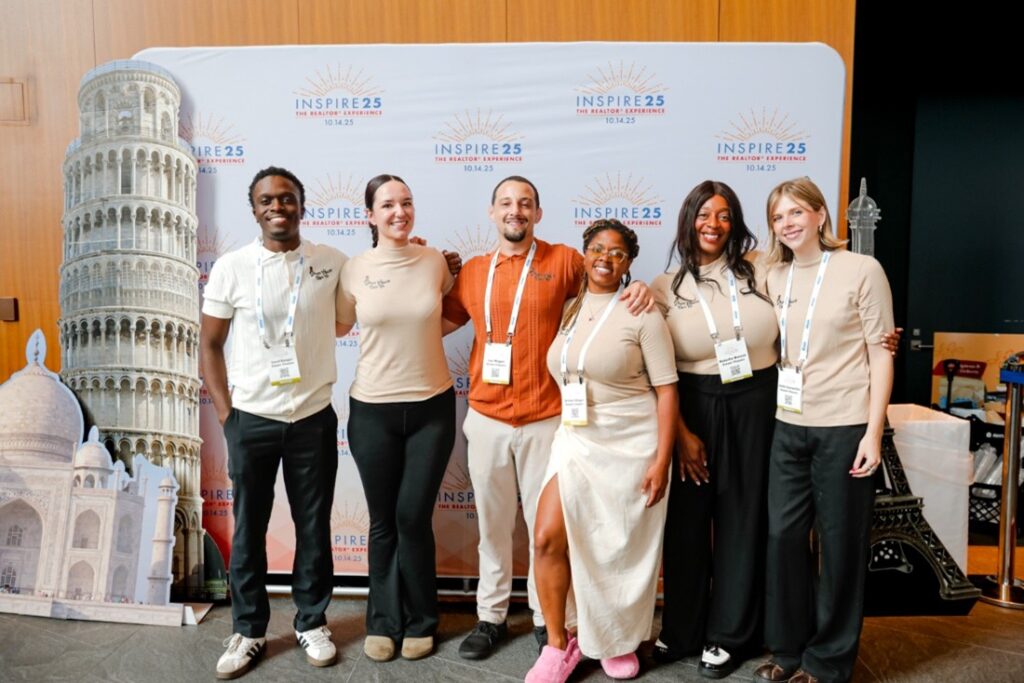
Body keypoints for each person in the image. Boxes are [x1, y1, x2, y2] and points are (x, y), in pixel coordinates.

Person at [442, 176, 652, 660]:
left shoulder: (564, 261)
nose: (515, 211)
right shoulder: (473, 271)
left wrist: (640, 287)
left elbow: (607, 276)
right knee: (492, 527)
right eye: (506, 203)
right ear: (492, 212)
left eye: (525, 203)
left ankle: (546, 618)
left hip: (548, 419)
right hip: (487, 418)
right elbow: (434, 323)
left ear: (538, 214)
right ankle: (491, 616)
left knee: (549, 531)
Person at [201, 166, 347, 679]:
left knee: (313, 525)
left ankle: (312, 621)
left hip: (312, 417)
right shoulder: (232, 267)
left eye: (286, 198)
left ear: (302, 206)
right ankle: (249, 630)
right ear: (255, 210)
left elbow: (357, 307)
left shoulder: (330, 262)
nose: (277, 207)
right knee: (249, 530)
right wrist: (228, 416)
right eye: (267, 200)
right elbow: (210, 345)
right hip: (252, 419)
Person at [526, 219, 678, 682]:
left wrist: (662, 460)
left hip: (630, 442)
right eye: (596, 248)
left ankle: (614, 639)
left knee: (615, 548)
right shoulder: (570, 308)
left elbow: (667, 390)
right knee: (547, 537)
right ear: (584, 254)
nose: (605, 258)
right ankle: (559, 643)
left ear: (628, 261)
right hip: (575, 437)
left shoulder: (642, 312)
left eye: (616, 252)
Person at [755, 177, 894, 683]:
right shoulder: (772, 275)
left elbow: (882, 352)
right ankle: (788, 650)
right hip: (788, 425)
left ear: (819, 214)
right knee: (783, 538)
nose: (787, 223)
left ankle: (828, 662)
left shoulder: (861, 269)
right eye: (777, 217)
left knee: (839, 545)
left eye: (796, 212)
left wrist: (873, 433)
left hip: (845, 425)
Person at [651, 181, 779, 679]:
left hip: (756, 400)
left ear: (735, 223)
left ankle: (730, 634)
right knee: (685, 523)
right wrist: (681, 432)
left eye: (724, 215)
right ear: (689, 220)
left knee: (742, 519)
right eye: (704, 214)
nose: (714, 224)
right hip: (693, 402)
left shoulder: (761, 269)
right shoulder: (664, 286)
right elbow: (655, 370)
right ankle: (682, 629)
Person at [337, 174, 457, 662]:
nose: (399, 212)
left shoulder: (434, 262)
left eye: (406, 202)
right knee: (384, 521)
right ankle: (383, 623)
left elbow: (451, 310)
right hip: (372, 410)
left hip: (433, 408)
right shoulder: (353, 270)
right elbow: (339, 325)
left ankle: (422, 621)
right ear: (370, 215)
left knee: (413, 516)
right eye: (387, 205)